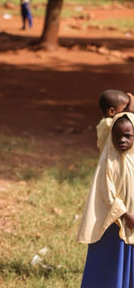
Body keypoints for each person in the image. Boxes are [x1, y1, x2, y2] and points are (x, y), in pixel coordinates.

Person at [77, 112, 134, 287]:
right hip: (111, 224)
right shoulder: (108, 162)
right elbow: (107, 193)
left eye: (128, 136)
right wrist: (125, 215)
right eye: (117, 135)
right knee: (110, 267)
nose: (122, 140)